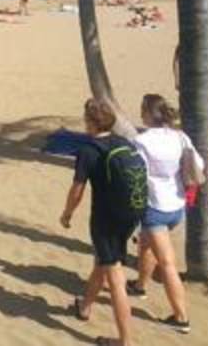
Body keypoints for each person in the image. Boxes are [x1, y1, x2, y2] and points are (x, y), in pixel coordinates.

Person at [60, 98, 145, 346]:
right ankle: (85, 307)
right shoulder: (123, 143)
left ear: (90, 123)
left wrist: (67, 214)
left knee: (115, 276)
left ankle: (126, 341)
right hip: (131, 216)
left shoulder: (88, 151)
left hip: (106, 220)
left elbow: (77, 190)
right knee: (104, 261)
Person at [128, 94, 200, 335]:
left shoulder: (142, 141)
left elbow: (136, 175)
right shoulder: (181, 137)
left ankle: (181, 318)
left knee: (167, 263)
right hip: (177, 205)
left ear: (148, 114)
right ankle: (139, 286)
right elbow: (198, 167)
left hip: (155, 207)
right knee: (146, 245)